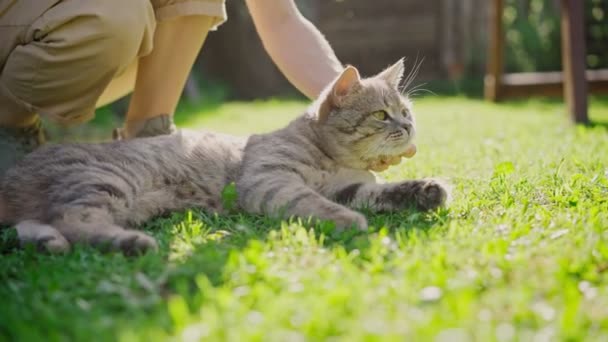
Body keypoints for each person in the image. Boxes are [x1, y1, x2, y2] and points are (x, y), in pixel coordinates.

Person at [0, 0, 408, 176]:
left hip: (74, 35)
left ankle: (146, 138)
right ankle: (9, 129)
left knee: (120, 15)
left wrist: (351, 109)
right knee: (117, 12)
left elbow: (281, 21)